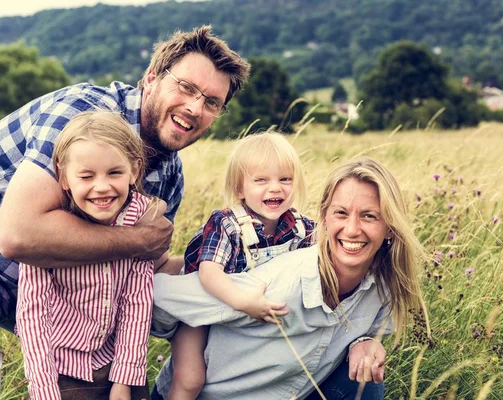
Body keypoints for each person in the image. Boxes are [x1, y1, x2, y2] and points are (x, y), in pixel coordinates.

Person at [0, 25, 249, 400]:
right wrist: (137, 241)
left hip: (39, 287)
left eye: (212, 102)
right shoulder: (84, 114)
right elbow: (17, 235)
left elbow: (137, 269)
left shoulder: (169, 177)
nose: (195, 108)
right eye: (186, 87)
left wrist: (224, 269)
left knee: (109, 379)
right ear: (151, 79)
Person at [151, 156, 427, 400]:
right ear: (325, 218)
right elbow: (159, 297)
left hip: (296, 391)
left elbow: (365, 329)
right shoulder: (277, 285)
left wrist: (363, 342)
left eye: (369, 216)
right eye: (341, 213)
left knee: (365, 381)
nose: (352, 229)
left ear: (390, 227)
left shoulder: (386, 285)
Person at [16, 111, 160, 400]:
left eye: (115, 172)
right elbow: (33, 317)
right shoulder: (48, 232)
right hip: (60, 369)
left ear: (134, 169)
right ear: (64, 177)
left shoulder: (139, 221)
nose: (102, 186)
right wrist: (45, 392)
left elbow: (137, 303)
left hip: (115, 360)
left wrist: (125, 377)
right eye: (86, 176)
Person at [168, 132, 315, 399]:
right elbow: (209, 273)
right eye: (261, 180)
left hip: (251, 315)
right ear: (239, 189)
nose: (275, 188)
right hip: (203, 308)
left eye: (285, 179)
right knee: (190, 378)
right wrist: (243, 301)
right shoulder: (227, 223)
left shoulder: (302, 227)